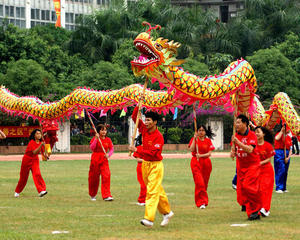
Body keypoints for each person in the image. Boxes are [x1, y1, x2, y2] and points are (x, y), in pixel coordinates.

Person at [129, 106, 174, 228]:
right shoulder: (143, 129)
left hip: (156, 166)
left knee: (152, 191)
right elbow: (134, 117)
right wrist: (139, 104)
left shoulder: (159, 136)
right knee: (157, 190)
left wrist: (136, 149)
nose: (147, 122)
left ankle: (149, 218)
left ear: (155, 122)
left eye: (149, 120)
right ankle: (167, 212)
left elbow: (153, 153)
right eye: (146, 120)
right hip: (145, 164)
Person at [231, 114, 261, 220]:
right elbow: (233, 149)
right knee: (243, 189)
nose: (236, 125)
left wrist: (238, 142)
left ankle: (255, 211)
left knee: (249, 186)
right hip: (241, 166)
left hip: (252, 165)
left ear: (245, 124)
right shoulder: (235, 135)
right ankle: (251, 208)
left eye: (239, 122)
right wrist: (232, 152)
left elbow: (250, 149)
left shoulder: (252, 135)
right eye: (236, 122)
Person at [14, 129, 48, 198]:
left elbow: (44, 154)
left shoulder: (42, 142)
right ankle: (17, 191)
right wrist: (41, 145)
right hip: (27, 159)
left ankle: (41, 191)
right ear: (34, 135)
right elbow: (34, 152)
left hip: (35, 159)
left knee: (37, 174)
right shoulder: (31, 142)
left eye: (40, 134)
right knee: (23, 178)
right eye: (37, 134)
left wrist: (46, 152)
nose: (39, 135)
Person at [188, 125, 215, 209]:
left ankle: (201, 200)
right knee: (199, 183)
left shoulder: (208, 141)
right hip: (196, 162)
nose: (201, 132)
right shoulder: (194, 140)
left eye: (203, 130)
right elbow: (192, 149)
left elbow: (209, 153)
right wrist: (194, 139)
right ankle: (202, 202)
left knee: (204, 183)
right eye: (199, 130)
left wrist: (201, 155)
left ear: (205, 132)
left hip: (206, 163)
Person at [89, 124, 114, 201]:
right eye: (102, 130)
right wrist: (96, 139)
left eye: (105, 130)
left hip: (104, 159)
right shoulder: (95, 138)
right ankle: (92, 194)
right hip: (95, 159)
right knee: (94, 177)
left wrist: (109, 154)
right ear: (98, 131)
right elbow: (92, 148)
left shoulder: (108, 140)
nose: (104, 132)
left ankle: (106, 195)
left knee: (106, 175)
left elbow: (112, 149)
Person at [254, 126, 275, 217]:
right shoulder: (253, 145)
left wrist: (259, 163)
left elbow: (268, 160)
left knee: (265, 189)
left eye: (258, 132)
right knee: (257, 190)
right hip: (256, 171)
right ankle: (260, 208)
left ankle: (265, 209)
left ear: (264, 134)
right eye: (255, 132)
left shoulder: (268, 145)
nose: (256, 134)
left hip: (267, 170)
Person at [274, 124, 292, 193]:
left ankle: (284, 187)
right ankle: (279, 187)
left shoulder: (289, 137)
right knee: (280, 169)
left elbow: (290, 148)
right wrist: (282, 131)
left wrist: (288, 157)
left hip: (286, 153)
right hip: (279, 152)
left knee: (285, 171)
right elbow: (277, 138)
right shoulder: (279, 134)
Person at [133, 134, 146, 206]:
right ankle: (141, 200)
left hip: (149, 167)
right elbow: (138, 159)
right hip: (141, 168)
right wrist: (147, 161)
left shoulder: (150, 148)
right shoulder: (139, 148)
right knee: (143, 184)